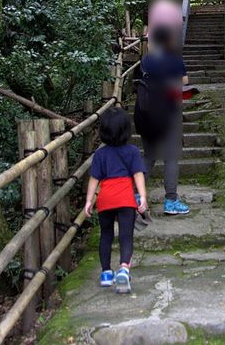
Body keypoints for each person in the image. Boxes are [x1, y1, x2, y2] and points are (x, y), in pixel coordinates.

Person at [84, 107, 147, 294]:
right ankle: (124, 268)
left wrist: (89, 201)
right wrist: (143, 196)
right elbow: (138, 175)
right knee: (126, 235)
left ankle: (105, 273)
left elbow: (94, 179)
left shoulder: (100, 155)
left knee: (106, 235)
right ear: (127, 129)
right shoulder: (132, 151)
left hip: (105, 199)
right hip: (125, 198)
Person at [138, 24, 190, 216]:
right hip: (169, 112)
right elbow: (184, 81)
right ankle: (171, 201)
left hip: (147, 112)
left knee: (149, 155)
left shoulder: (146, 60)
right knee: (171, 157)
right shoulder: (174, 59)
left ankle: (137, 197)